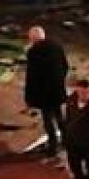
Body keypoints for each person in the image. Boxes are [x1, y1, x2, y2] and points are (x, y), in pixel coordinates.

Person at [23, 26, 70, 157]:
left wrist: (29, 97)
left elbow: (32, 77)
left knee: (48, 119)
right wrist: (60, 81)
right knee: (60, 116)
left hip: (44, 93)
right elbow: (65, 66)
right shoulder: (56, 46)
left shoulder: (34, 52)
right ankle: (67, 141)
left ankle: (53, 146)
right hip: (58, 89)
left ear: (33, 39)